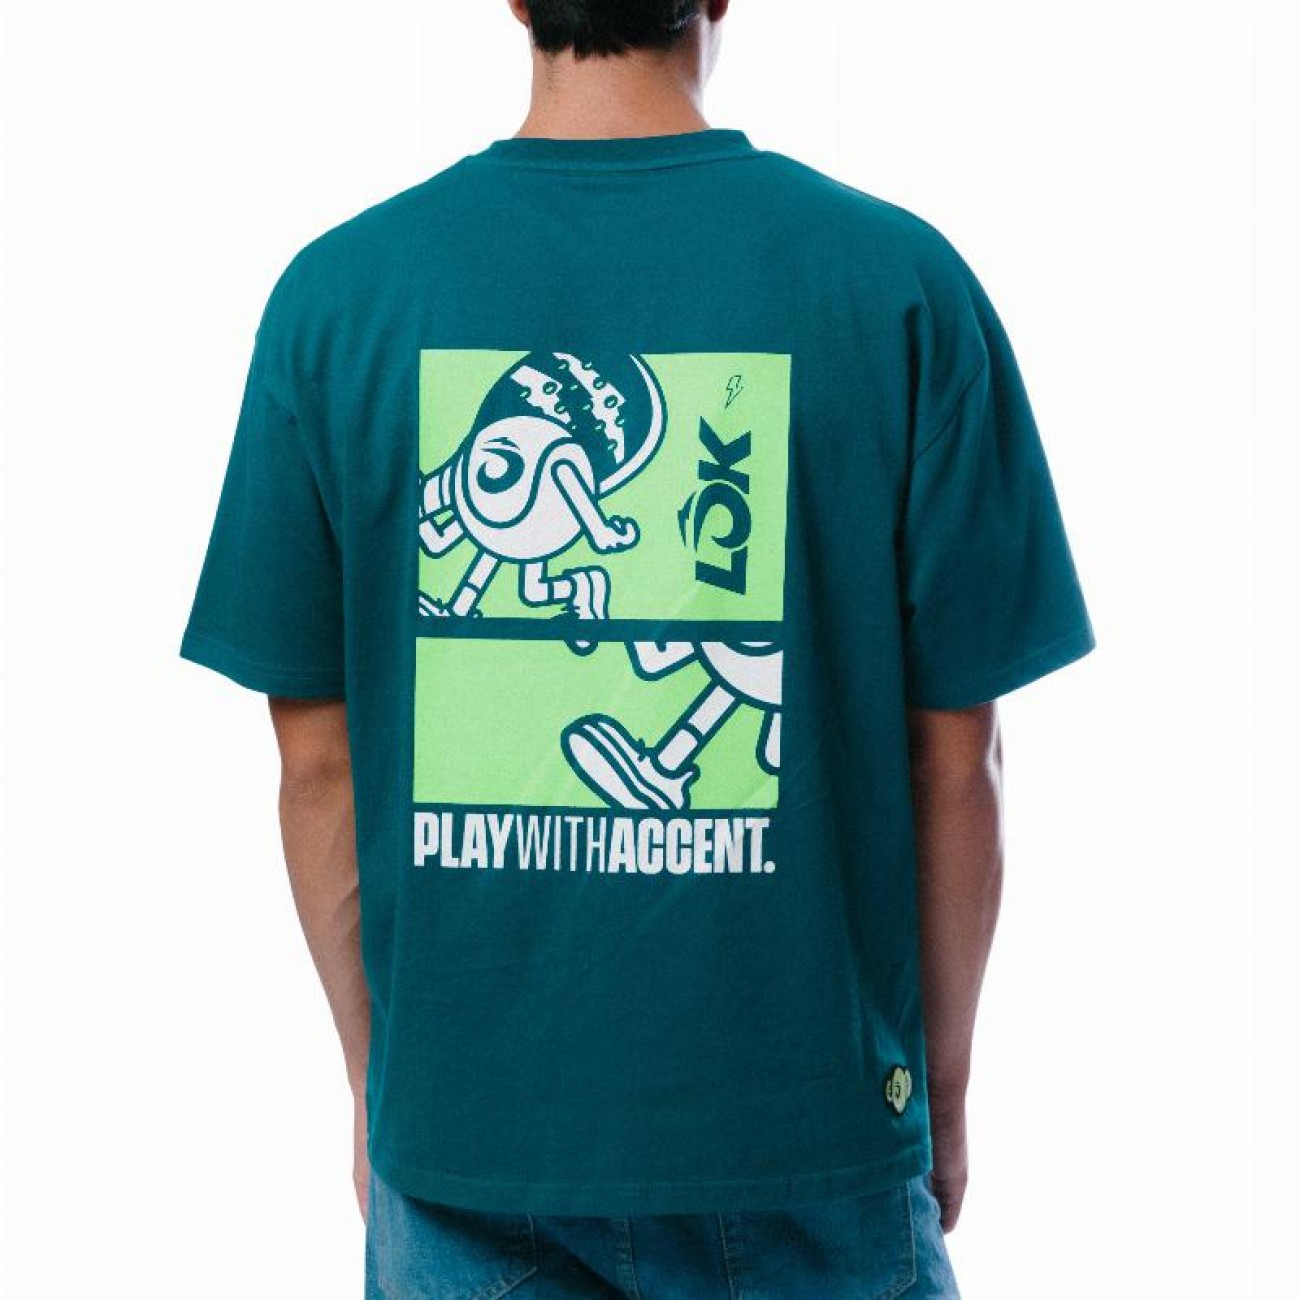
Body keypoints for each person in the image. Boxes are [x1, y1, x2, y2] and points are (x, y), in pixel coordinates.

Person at [179, 1, 1095, 1294]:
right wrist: (937, 1094)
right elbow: (957, 761)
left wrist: (382, 1083)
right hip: (811, 1140)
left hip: (467, 1148)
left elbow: (316, 763)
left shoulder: (340, 299)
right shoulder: (895, 284)